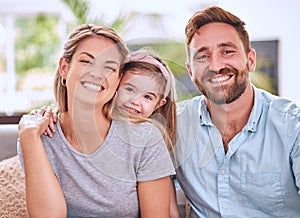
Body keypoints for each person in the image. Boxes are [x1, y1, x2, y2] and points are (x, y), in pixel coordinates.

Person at [17, 24, 176, 218]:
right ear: (64, 68)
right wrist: (29, 137)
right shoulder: (38, 140)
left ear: (118, 80)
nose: (97, 73)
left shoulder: (145, 138)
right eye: (87, 61)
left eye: (109, 67)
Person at [174, 6, 300, 217]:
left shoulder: (292, 127)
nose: (215, 65)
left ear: (250, 60)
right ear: (190, 71)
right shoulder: (174, 125)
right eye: (202, 56)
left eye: (227, 51)